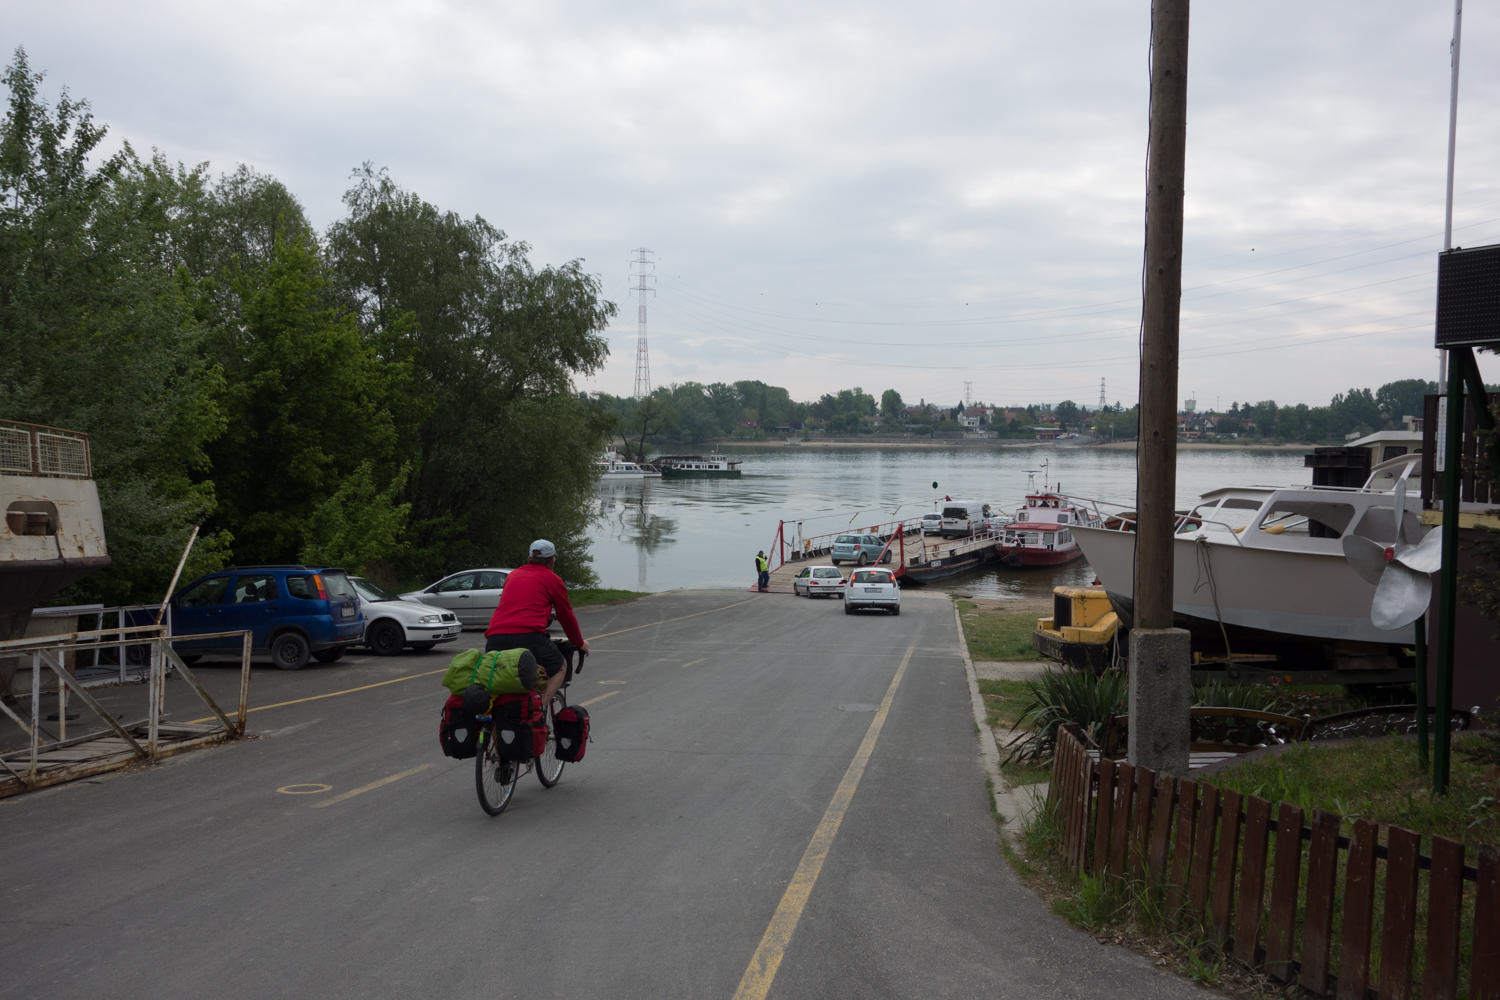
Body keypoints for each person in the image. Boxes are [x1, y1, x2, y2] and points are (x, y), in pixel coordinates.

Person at [484, 539, 590, 704]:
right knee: (560, 667)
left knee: (501, 678)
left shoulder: (513, 576)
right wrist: (579, 642)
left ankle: (493, 718)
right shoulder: (552, 579)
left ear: (529, 558)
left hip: (495, 637)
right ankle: (538, 709)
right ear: (552, 560)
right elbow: (565, 615)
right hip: (529, 636)